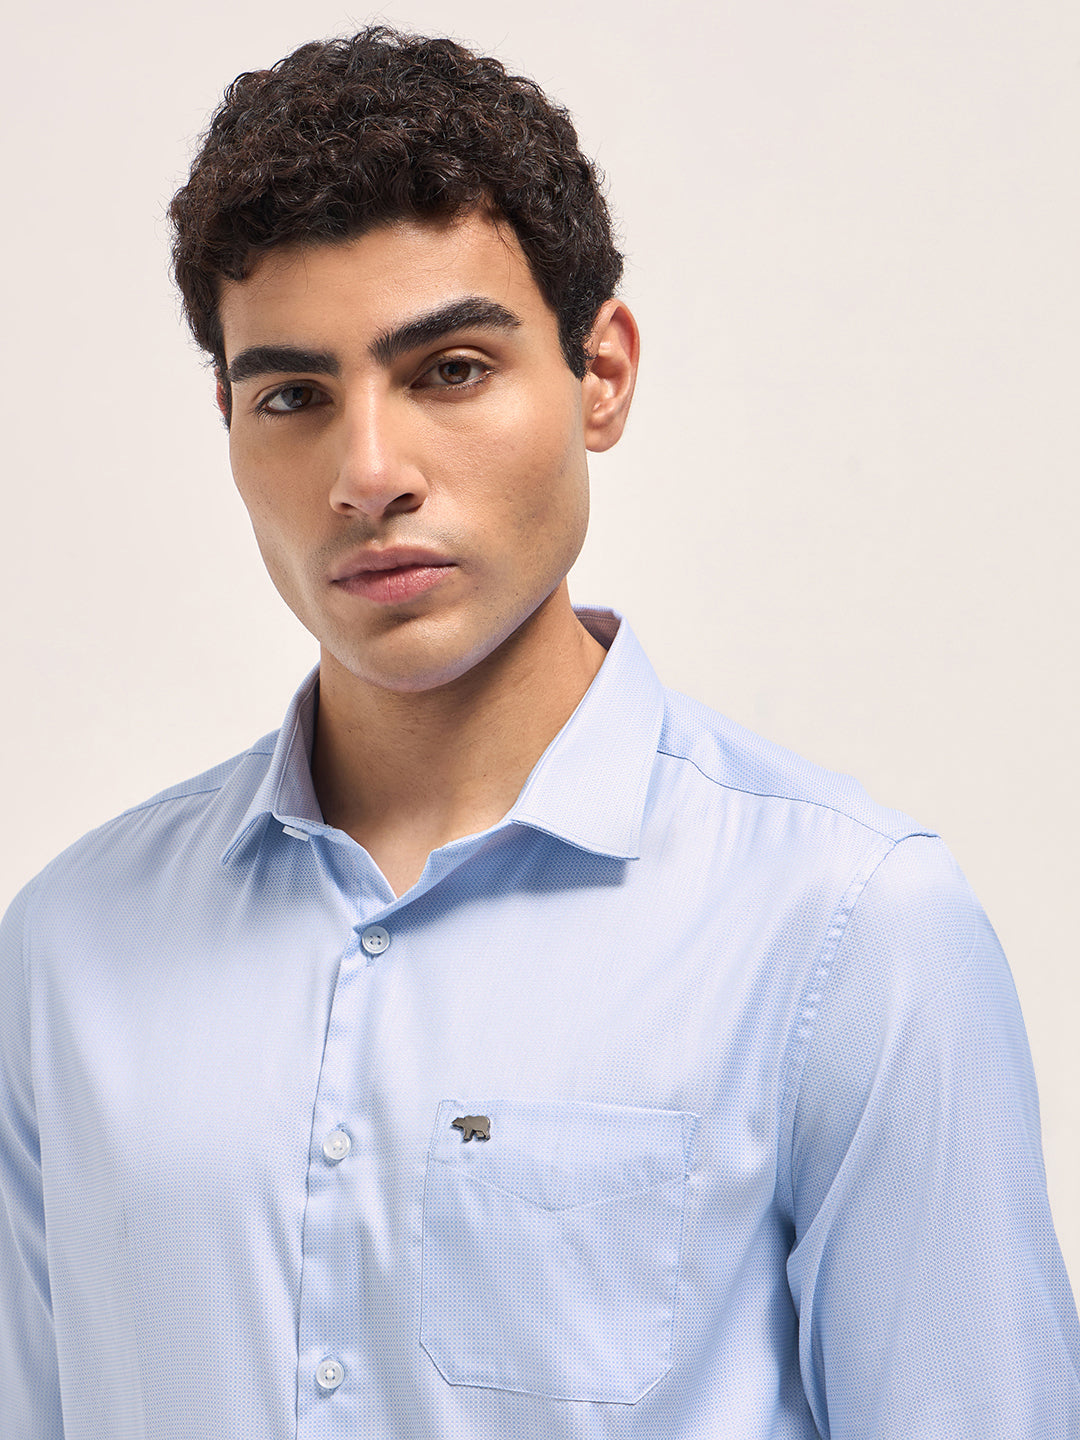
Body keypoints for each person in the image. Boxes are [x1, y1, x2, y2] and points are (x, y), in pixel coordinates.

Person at [1, 24, 1077, 1439]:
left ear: (601, 374)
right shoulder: (70, 952)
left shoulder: (848, 930)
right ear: (229, 422)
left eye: (449, 369)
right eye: (294, 396)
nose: (369, 474)